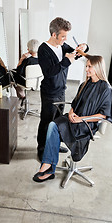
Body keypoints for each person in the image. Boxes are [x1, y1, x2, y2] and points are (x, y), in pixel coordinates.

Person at [33, 54, 112, 182]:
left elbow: (103, 115)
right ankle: (48, 166)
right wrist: (70, 112)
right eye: (86, 66)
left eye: (89, 67)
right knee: (52, 125)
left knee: (55, 128)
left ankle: (48, 167)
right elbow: (75, 104)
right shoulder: (85, 84)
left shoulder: (106, 89)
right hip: (74, 118)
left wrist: (81, 119)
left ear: (97, 67)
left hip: (86, 124)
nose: (86, 69)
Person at [37, 17, 89, 161]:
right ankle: (42, 149)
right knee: (46, 122)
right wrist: (66, 61)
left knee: (58, 122)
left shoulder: (63, 46)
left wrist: (84, 48)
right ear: (54, 35)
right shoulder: (43, 50)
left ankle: (53, 143)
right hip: (49, 93)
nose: (65, 40)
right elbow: (49, 72)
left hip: (61, 90)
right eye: (63, 36)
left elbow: (76, 54)